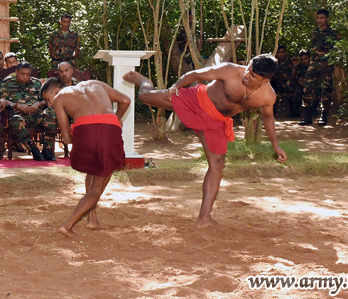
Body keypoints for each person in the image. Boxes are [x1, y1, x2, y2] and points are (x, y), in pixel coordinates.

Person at [123, 55, 288, 228]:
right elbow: (195, 75)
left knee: (218, 163)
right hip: (196, 100)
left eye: (253, 75)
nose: (247, 75)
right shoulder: (229, 70)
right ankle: (144, 81)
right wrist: (175, 86)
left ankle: (204, 218)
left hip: (215, 121)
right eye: (248, 69)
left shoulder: (267, 96)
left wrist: (276, 145)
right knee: (145, 97)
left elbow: (268, 118)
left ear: (265, 80)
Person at [41, 77, 131, 237]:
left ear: (56, 91)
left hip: (85, 130)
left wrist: (80, 137)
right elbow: (125, 100)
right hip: (109, 128)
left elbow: (66, 138)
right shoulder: (97, 84)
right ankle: (68, 225)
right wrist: (116, 118)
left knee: (93, 171)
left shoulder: (60, 97)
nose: (49, 104)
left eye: (48, 99)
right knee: (97, 185)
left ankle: (92, 219)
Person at [0, 62, 56, 160]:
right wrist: (17, 105)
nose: (25, 77)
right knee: (16, 120)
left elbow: (47, 99)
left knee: (51, 113)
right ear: (16, 72)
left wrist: (38, 104)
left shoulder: (36, 83)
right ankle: (33, 149)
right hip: (20, 116)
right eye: (22, 74)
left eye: (28, 74)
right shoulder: (8, 83)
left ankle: (47, 149)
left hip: (36, 116)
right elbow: (2, 100)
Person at [299, 9, 341, 127]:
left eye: (322, 18)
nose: (319, 20)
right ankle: (307, 117)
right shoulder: (314, 32)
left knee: (326, 91)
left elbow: (340, 47)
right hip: (313, 66)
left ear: (327, 19)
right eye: (318, 18)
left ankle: (324, 116)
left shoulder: (333, 33)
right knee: (307, 89)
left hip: (327, 66)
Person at [270, 45, 298, 118]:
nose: (281, 54)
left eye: (283, 52)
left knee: (294, 87)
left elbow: (293, 76)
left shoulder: (292, 60)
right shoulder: (273, 61)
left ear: (286, 52)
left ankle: (294, 111)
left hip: (289, 81)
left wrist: (281, 77)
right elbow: (271, 76)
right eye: (279, 52)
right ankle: (272, 111)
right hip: (276, 82)